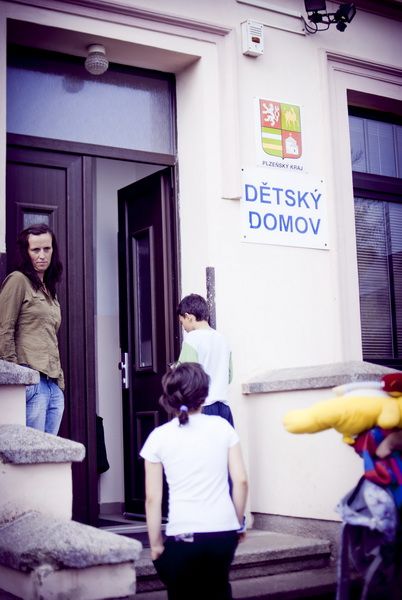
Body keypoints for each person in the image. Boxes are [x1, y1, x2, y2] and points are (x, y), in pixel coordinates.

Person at [140, 362, 248, 600]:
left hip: (184, 535)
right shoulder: (223, 428)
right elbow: (240, 481)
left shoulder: (159, 437)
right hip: (223, 533)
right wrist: (237, 524)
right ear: (204, 393)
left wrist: (155, 544)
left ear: (170, 395)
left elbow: (152, 498)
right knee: (219, 591)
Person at [0, 223, 64, 435]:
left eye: (47, 248)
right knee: (30, 450)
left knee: (48, 452)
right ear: (26, 253)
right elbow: (4, 329)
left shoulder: (50, 290)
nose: (42, 255)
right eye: (35, 250)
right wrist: (16, 378)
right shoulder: (18, 280)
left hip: (53, 384)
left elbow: (49, 337)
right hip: (31, 381)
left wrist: (59, 383)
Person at [176, 293, 234, 426]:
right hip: (224, 407)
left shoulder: (192, 339)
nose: (183, 328)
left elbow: (187, 378)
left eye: (182, 322)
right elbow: (229, 376)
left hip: (203, 407)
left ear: (188, 317)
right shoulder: (223, 339)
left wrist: (177, 369)